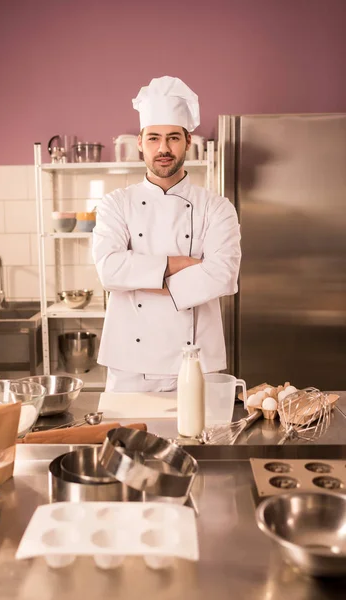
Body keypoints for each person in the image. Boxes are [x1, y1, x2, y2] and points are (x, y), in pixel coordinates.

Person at [92, 76, 241, 392]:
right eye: (154, 138)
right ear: (140, 143)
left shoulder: (217, 207)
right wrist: (184, 264)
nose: (163, 149)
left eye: (173, 138)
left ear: (189, 141)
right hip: (130, 366)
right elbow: (109, 270)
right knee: (129, 440)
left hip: (198, 361)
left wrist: (141, 278)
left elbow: (224, 276)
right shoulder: (115, 204)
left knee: (201, 441)